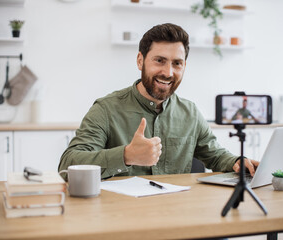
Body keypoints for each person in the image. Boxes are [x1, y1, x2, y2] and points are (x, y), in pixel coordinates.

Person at [58, 23, 259, 180]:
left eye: (177, 63)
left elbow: (214, 155)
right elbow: (67, 166)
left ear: (184, 66)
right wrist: (126, 155)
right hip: (122, 217)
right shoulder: (106, 109)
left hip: (176, 214)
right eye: (159, 60)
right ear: (140, 61)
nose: (168, 72)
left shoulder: (190, 112)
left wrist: (237, 162)